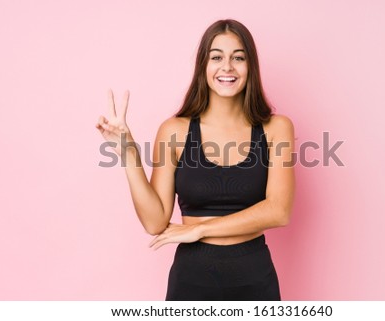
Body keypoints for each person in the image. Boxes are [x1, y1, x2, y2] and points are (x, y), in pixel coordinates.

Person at [96, 19, 295, 301]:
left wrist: (200, 229)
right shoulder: (174, 131)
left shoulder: (276, 128)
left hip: (255, 279)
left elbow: (279, 210)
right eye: (217, 57)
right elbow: (155, 223)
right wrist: (130, 154)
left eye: (238, 57)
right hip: (192, 280)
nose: (227, 67)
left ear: (250, 66)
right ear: (203, 65)